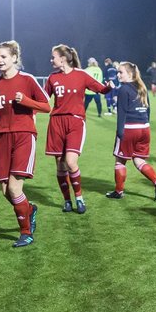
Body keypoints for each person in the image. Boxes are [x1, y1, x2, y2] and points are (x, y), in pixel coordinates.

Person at [0, 40, 52, 247]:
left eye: (4, 56)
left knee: (15, 188)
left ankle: (26, 233)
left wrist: (25, 101)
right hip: (2, 136)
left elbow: (46, 106)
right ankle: (29, 209)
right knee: (6, 191)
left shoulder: (28, 80)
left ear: (15, 58)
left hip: (24, 134)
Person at [44, 44, 111, 214]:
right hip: (56, 123)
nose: (51, 60)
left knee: (71, 162)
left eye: (53, 57)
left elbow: (101, 89)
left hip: (75, 122)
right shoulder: (52, 78)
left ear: (63, 58)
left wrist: (109, 87)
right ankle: (67, 200)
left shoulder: (82, 75)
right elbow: (43, 99)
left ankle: (79, 198)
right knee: (60, 165)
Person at [107, 61, 156, 201]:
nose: (118, 75)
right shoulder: (142, 87)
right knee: (139, 160)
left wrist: (120, 132)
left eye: (121, 72)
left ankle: (119, 191)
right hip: (144, 128)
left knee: (120, 161)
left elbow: (122, 113)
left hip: (129, 129)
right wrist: (146, 125)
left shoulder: (123, 89)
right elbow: (148, 109)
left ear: (130, 74)